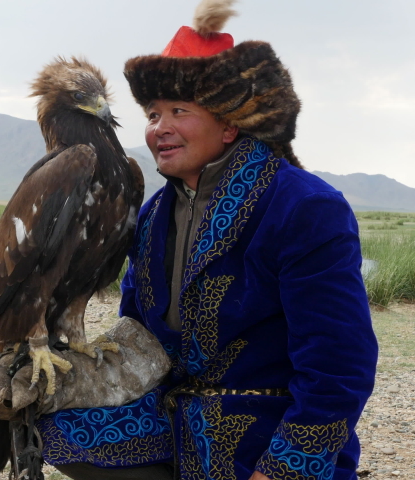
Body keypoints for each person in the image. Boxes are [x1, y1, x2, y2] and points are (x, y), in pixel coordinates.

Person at [36, 1, 378, 479]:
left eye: (179, 111)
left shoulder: (302, 206)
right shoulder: (154, 213)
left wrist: (285, 469)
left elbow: (340, 364)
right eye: (153, 114)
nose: (160, 128)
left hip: (265, 432)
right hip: (175, 421)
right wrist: (72, 376)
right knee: (50, 423)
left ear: (230, 123)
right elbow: (139, 330)